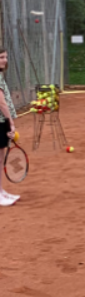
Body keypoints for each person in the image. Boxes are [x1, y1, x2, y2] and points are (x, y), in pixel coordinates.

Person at [0, 49, 19, 206]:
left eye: (5, 57)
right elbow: (1, 102)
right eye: (1, 57)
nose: (5, 60)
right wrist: (10, 122)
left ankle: (1, 192)